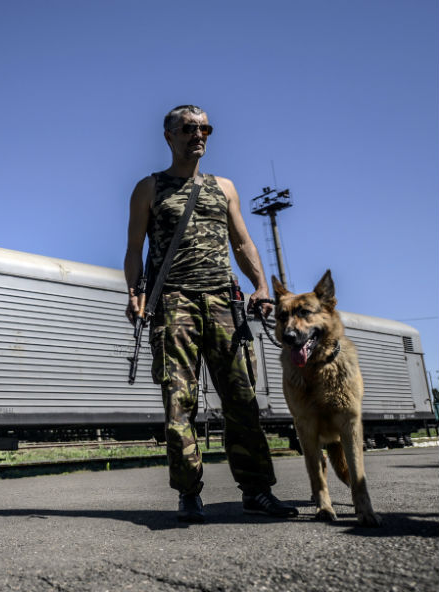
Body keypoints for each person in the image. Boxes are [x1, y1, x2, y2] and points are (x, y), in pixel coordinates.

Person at [124, 105, 298, 523]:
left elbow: (241, 243)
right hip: (174, 302)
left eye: (205, 128)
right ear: (169, 136)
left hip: (224, 301)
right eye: (188, 128)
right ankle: (188, 494)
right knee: (179, 402)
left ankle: (257, 491)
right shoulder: (149, 188)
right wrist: (135, 293)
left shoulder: (225, 187)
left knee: (242, 400)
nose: (198, 134)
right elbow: (134, 250)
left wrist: (259, 285)